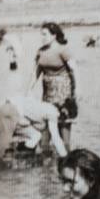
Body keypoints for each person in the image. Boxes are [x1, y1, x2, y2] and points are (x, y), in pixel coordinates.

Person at [31, 22, 79, 150]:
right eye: (41, 34)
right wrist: (28, 90)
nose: (42, 37)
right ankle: (46, 159)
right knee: (45, 126)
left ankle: (66, 156)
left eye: (45, 34)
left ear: (54, 35)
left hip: (64, 94)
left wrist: (79, 89)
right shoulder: (40, 52)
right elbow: (35, 72)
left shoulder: (62, 50)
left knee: (63, 126)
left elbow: (74, 70)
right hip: (47, 94)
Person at [0, 96, 68, 159]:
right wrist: (65, 157)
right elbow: (56, 137)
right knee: (2, 150)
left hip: (13, 113)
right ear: (64, 111)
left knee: (36, 135)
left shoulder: (48, 107)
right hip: (9, 112)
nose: (64, 121)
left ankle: (22, 152)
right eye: (66, 118)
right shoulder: (54, 113)